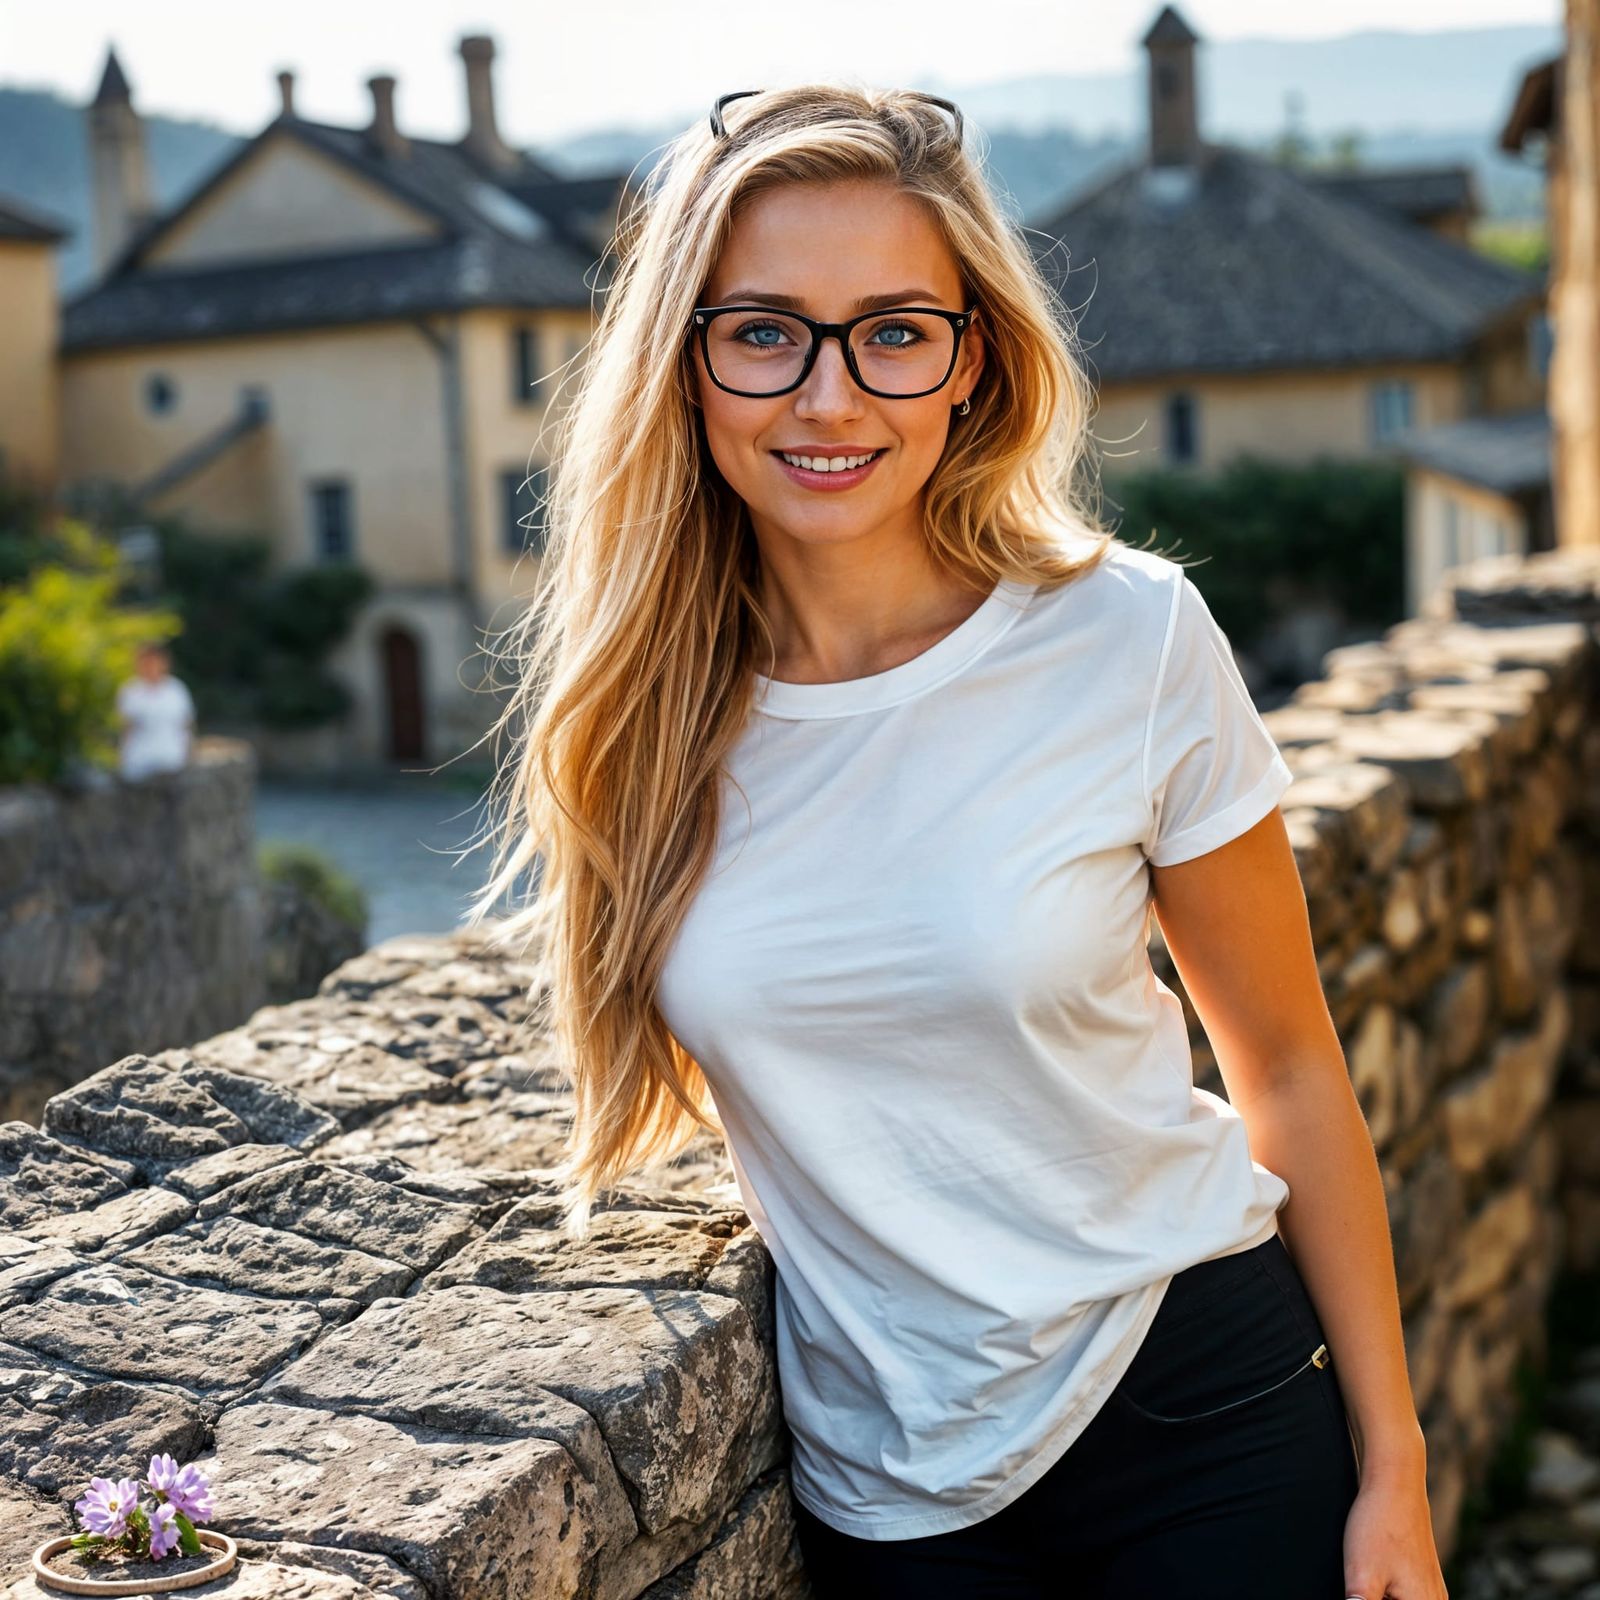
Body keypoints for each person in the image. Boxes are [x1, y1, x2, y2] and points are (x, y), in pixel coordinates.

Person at [466, 85, 1446, 1599]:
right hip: (893, 1500)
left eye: (895, 331)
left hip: (1202, 1410)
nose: (829, 397)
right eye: (765, 330)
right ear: (687, 361)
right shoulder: (642, 722)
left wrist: (1395, 1469)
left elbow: (1290, 1068)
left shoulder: (1126, 639)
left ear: (970, 361)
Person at [114, 641, 195, 781]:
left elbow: (187, 725)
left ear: (164, 663)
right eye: (145, 662)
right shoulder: (130, 691)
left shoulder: (176, 690)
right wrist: (121, 758)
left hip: (172, 760)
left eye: (154, 661)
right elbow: (125, 728)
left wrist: (189, 755)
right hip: (138, 763)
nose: (150, 666)